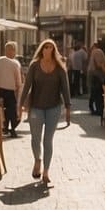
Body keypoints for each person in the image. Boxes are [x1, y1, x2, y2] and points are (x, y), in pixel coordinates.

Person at [22, 39, 71, 184]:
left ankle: (46, 171)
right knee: (35, 138)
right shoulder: (34, 66)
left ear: (54, 50)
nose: (47, 50)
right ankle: (37, 160)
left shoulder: (60, 67)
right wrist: (20, 105)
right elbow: (27, 86)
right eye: (45, 47)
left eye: (50, 47)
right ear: (41, 50)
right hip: (36, 107)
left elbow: (65, 88)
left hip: (53, 108)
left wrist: (68, 107)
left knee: (47, 140)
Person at [0, 41, 25, 137]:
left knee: (5, 110)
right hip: (9, 90)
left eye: (11, 50)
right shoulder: (15, 63)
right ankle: (11, 128)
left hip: (0, 90)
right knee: (11, 110)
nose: (11, 52)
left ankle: (6, 127)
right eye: (9, 50)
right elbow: (19, 79)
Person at [87, 46, 105, 116]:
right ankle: (99, 110)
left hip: (93, 75)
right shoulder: (98, 52)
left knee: (94, 92)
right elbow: (100, 64)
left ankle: (93, 108)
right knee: (98, 93)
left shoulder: (94, 52)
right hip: (97, 76)